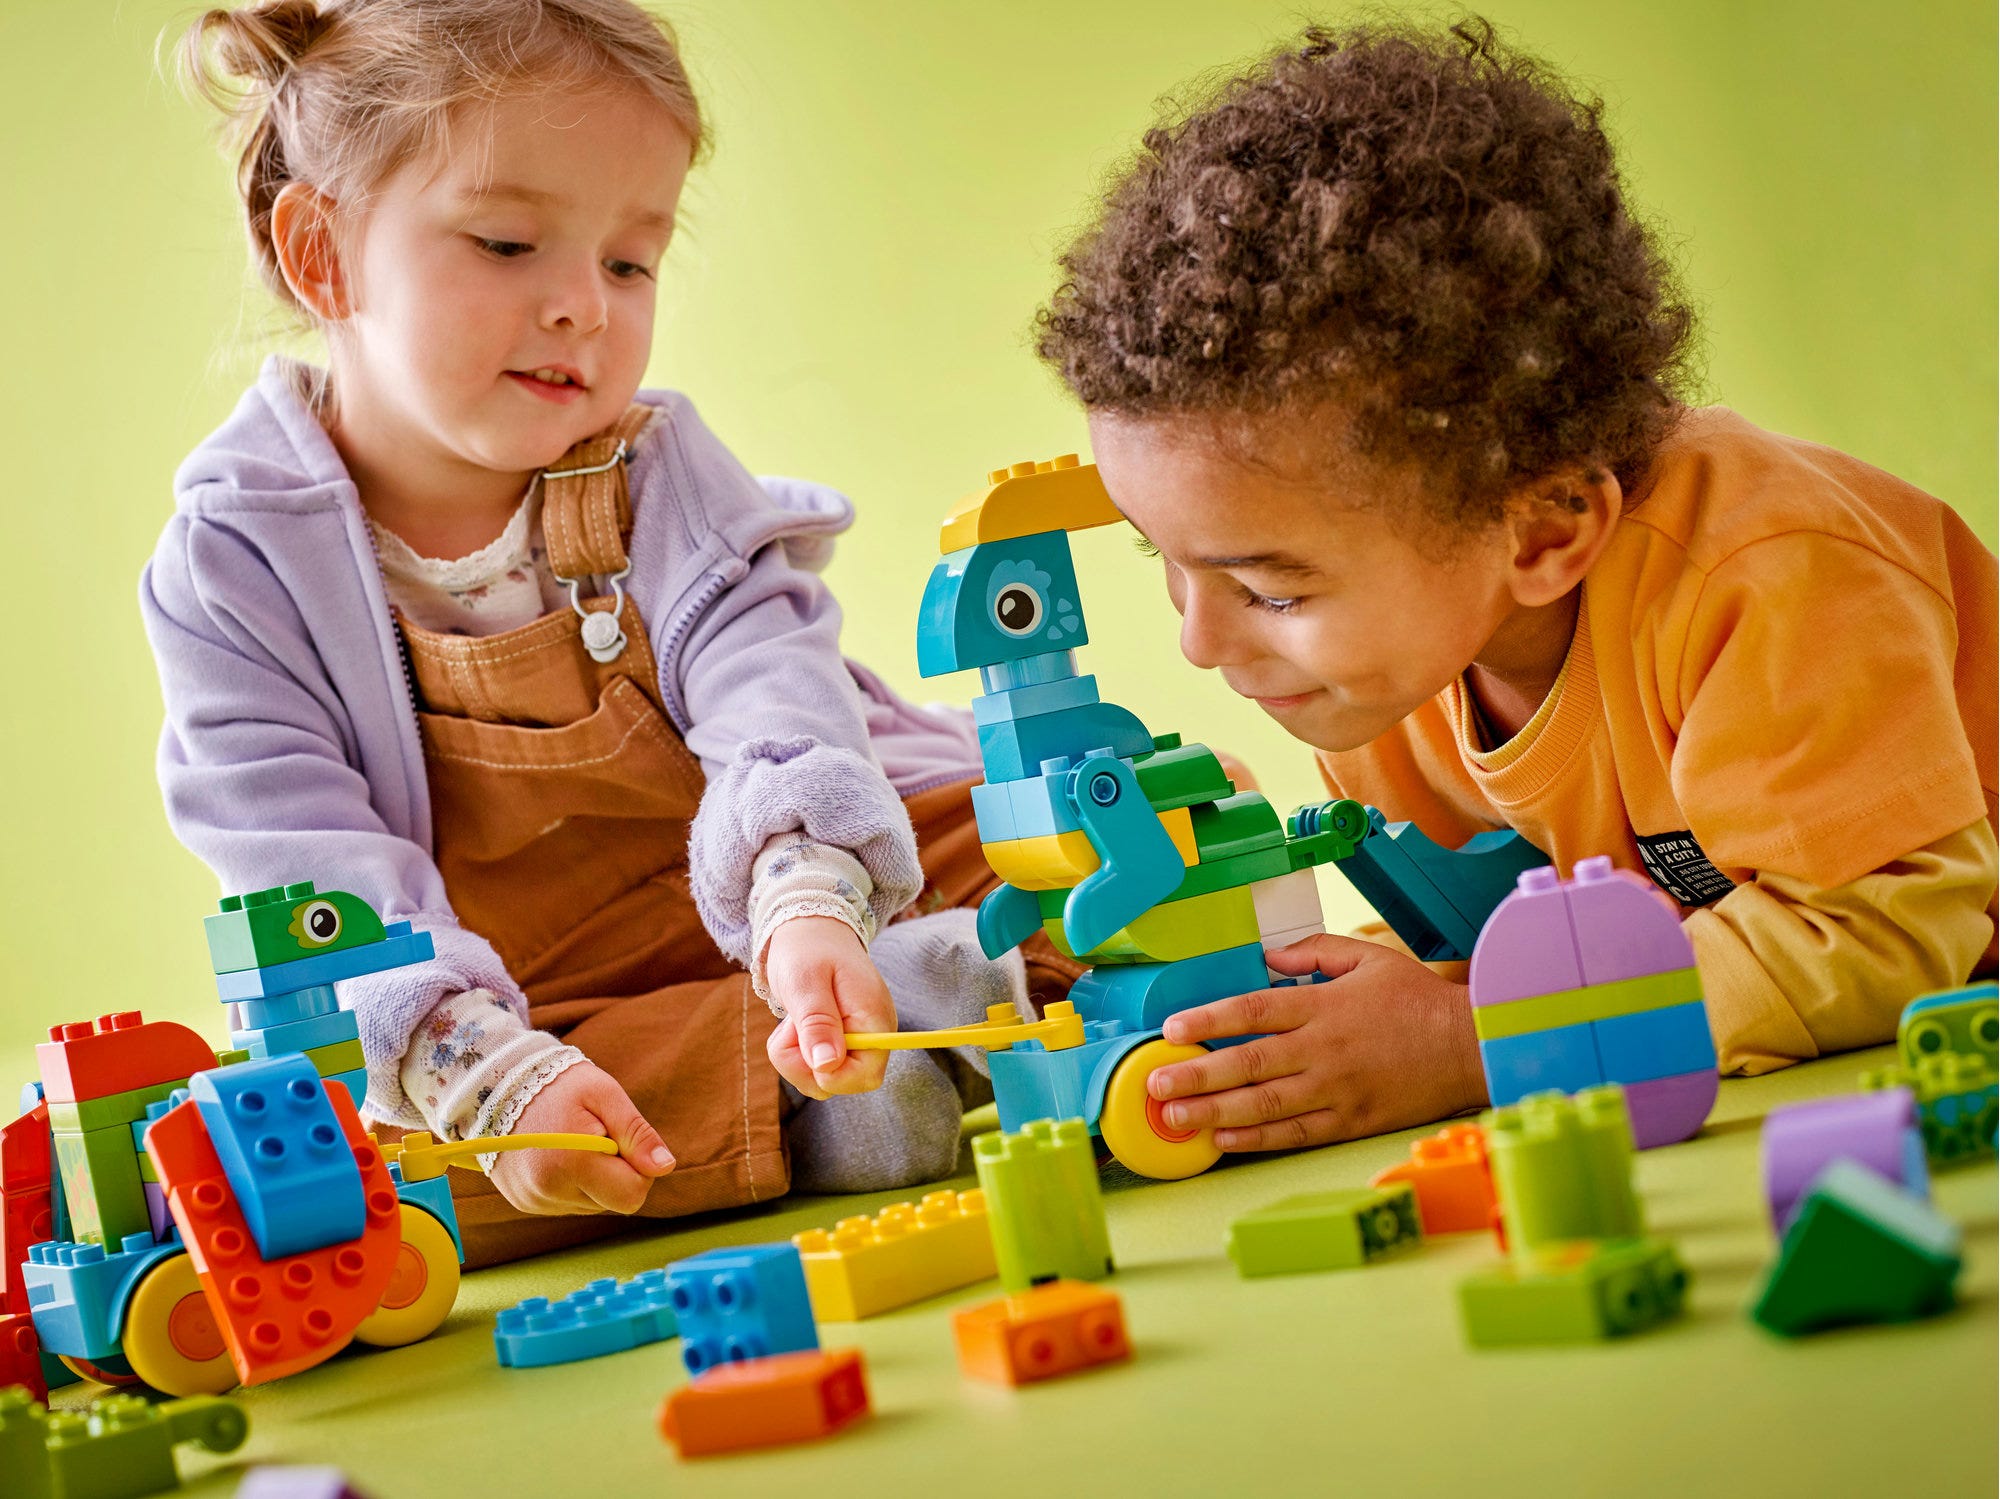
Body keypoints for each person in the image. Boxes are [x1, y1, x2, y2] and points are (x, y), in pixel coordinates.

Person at [144, 0, 1073, 1266]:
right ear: (325, 257)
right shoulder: (234, 564)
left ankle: (869, 1009)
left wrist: (809, 903)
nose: (583, 305)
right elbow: (303, 863)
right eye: (510, 242)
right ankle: (880, 1064)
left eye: (630, 262)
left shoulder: (657, 466)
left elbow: (771, 682)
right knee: (396, 1172)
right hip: (521, 986)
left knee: (1091, 830)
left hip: (757, 882)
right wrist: (486, 1069)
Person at [1032, 18, 1998, 1152]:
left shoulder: (1765, 576)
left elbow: (1881, 934)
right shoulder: (1374, 692)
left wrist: (1471, 1042)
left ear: (1542, 528)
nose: (1199, 642)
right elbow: (1518, 936)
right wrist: (1381, 997)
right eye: (1168, 563)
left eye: (1271, 590)